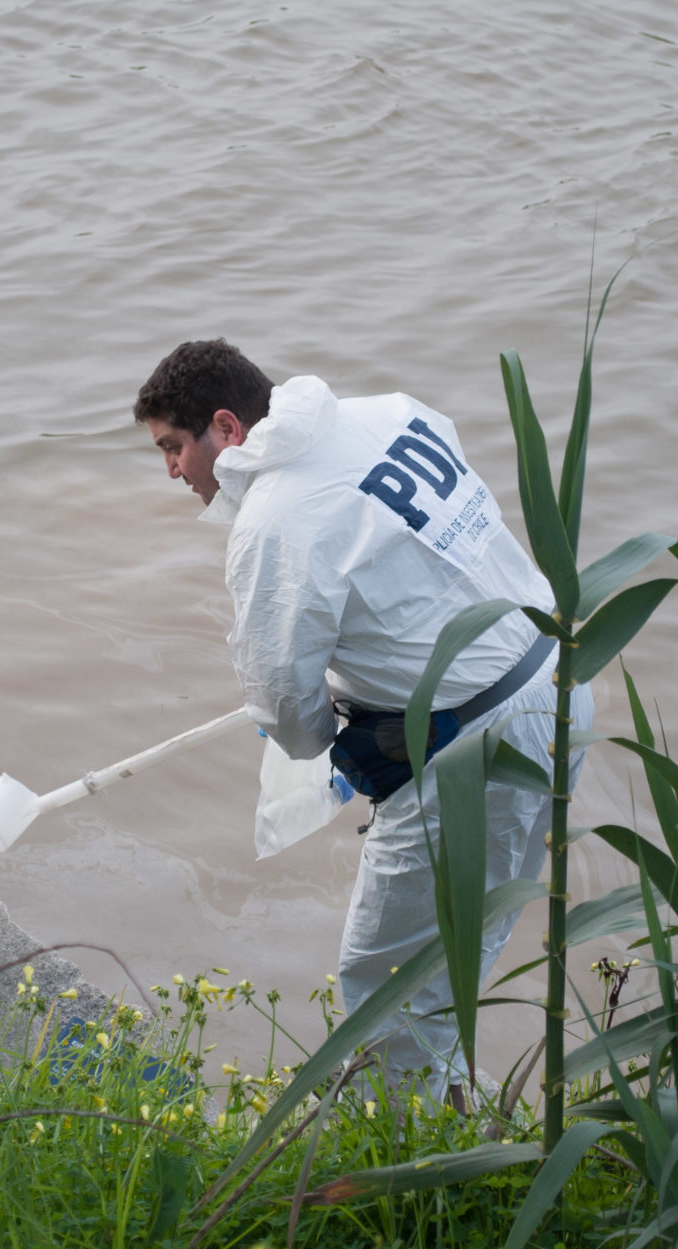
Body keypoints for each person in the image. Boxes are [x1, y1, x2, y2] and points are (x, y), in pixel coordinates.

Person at [135, 339, 592, 1109]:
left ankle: (408, 1187)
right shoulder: (388, 413)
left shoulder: (273, 520)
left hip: (468, 751)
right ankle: (467, 1135)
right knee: (455, 963)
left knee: (385, 989)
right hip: (558, 679)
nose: (173, 470)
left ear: (226, 427)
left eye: (174, 448)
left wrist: (335, 733)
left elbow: (285, 708)